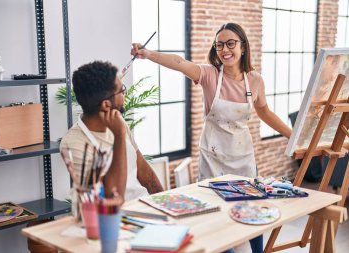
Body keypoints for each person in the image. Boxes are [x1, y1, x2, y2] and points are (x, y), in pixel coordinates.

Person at [131, 23, 291, 253]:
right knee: (217, 219)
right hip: (213, 160)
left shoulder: (255, 80)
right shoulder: (209, 75)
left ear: (243, 46)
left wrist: (294, 137)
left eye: (230, 43)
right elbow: (179, 63)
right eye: (219, 45)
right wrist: (147, 54)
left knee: (252, 217)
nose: (224, 49)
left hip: (243, 160)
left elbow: (265, 112)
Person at [60, 61, 163, 201]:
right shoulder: (73, 144)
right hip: (112, 218)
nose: (125, 95)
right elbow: (112, 198)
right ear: (106, 105)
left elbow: (145, 173)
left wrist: (165, 201)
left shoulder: (119, 123)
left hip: (144, 204)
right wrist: (119, 136)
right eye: (122, 91)